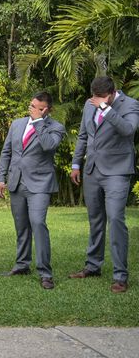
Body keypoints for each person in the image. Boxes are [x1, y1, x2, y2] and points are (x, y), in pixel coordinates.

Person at [69, 76, 139, 293]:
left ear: (113, 92)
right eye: (95, 96)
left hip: (117, 171)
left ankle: (120, 276)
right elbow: (83, 136)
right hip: (92, 171)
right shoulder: (89, 105)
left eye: (102, 97)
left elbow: (128, 130)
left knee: (116, 219)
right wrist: (75, 164)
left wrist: (106, 109)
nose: (97, 101)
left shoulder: (130, 105)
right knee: (95, 220)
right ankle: (92, 266)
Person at [0, 92, 66, 289]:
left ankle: (45, 273)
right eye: (32, 105)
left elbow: (48, 146)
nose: (33, 109)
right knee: (21, 226)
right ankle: (22, 265)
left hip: (40, 184)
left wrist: (38, 122)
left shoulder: (56, 128)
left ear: (47, 109)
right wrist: (1, 178)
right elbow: (7, 152)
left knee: (38, 223)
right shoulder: (17, 124)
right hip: (16, 182)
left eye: (38, 107)